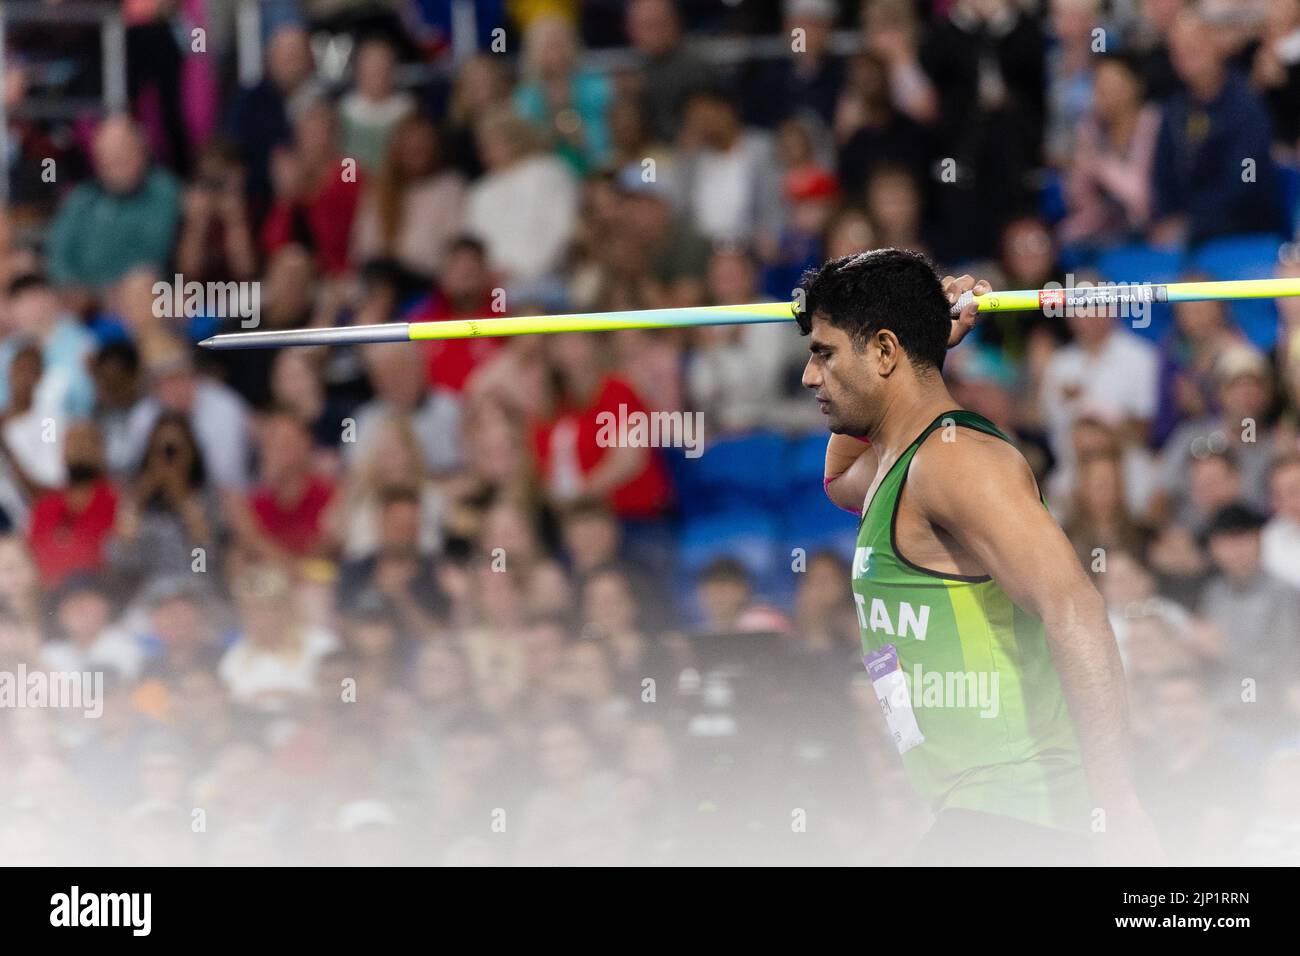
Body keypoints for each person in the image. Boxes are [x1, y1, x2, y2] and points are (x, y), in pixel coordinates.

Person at [800, 249, 1162, 864]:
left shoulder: (956, 461)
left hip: (1020, 816)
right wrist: (929, 344)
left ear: (884, 352)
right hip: (977, 811)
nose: (810, 376)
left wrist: (1117, 804)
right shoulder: (896, 459)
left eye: (824, 352)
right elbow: (837, 482)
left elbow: (1075, 610)